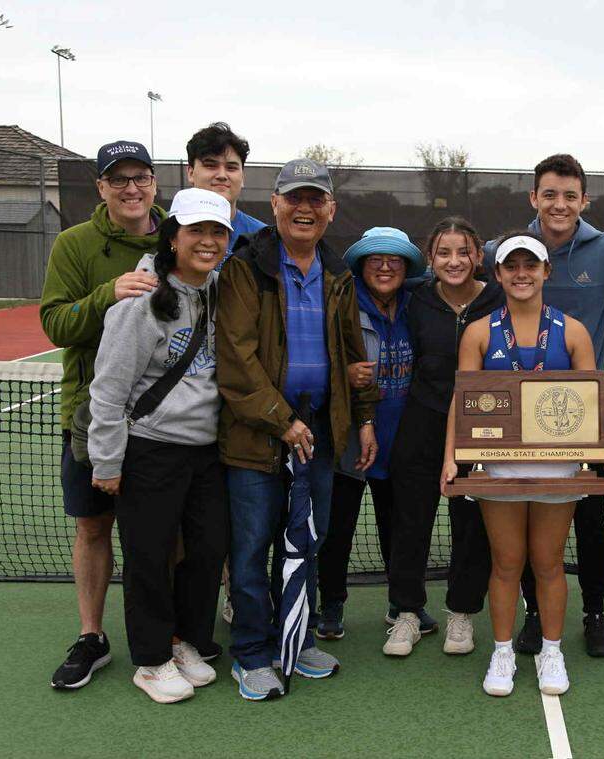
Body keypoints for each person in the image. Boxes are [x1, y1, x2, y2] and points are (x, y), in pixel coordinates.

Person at [216, 158, 378, 701]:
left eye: (316, 200)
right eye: (295, 199)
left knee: (309, 543)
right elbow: (236, 362)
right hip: (256, 437)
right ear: (276, 205)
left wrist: (365, 415)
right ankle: (252, 652)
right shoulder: (245, 269)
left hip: (321, 436)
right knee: (252, 547)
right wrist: (284, 421)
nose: (304, 208)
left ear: (330, 210)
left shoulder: (339, 275)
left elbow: (354, 356)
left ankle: (300, 639)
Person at [446, 231, 604, 697]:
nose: (521, 274)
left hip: (558, 470)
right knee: (505, 564)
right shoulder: (480, 331)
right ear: (498, 274)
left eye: (531, 265)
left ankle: (551, 650)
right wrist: (451, 458)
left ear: (546, 271)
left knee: (548, 563)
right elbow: (461, 403)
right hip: (498, 470)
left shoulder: (574, 331)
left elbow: (595, 403)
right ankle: (502, 652)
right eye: (511, 267)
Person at [483, 154, 604, 657]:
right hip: (515, 426)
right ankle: (532, 617)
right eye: (549, 193)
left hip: (579, 422)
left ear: (584, 201)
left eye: (570, 195)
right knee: (523, 536)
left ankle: (594, 613)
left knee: (592, 524)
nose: (559, 204)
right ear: (534, 198)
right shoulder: (501, 249)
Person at [87, 188, 232, 703]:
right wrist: (107, 461)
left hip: (207, 452)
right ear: (173, 238)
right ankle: (150, 660)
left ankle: (187, 641)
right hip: (150, 448)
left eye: (218, 232)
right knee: (148, 557)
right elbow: (107, 389)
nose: (208, 242)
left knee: (207, 552)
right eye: (197, 231)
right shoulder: (140, 301)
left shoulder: (221, 291)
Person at [42, 140, 166, 690]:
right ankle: (92, 636)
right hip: (92, 417)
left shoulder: (181, 236)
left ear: (155, 183)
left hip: (167, 420)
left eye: (140, 177)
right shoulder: (74, 245)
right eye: (119, 179)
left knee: (170, 531)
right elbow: (57, 325)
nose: (131, 188)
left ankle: (173, 630)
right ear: (100, 187)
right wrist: (107, 295)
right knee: (94, 526)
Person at [382, 216, 504, 657]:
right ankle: (407, 613)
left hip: (482, 423)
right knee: (410, 519)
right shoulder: (414, 298)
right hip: (422, 418)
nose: (454, 261)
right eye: (443, 252)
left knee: (471, 525)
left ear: (478, 257)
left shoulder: (499, 299)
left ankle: (462, 614)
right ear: (430, 258)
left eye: (463, 252)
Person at [315, 227, 425, 641]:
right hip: (348, 436)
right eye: (375, 259)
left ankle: (402, 605)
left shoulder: (416, 305)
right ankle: (332, 604)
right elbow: (314, 359)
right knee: (337, 526)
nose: (384, 266)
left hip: (401, 437)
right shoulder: (338, 303)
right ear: (361, 265)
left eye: (394, 260)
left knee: (398, 528)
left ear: (406, 267)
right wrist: (342, 374)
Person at [185, 122, 266, 266]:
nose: (222, 175)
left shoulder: (263, 237)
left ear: (242, 177)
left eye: (231, 167)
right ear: (191, 173)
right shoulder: (166, 229)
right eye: (211, 165)